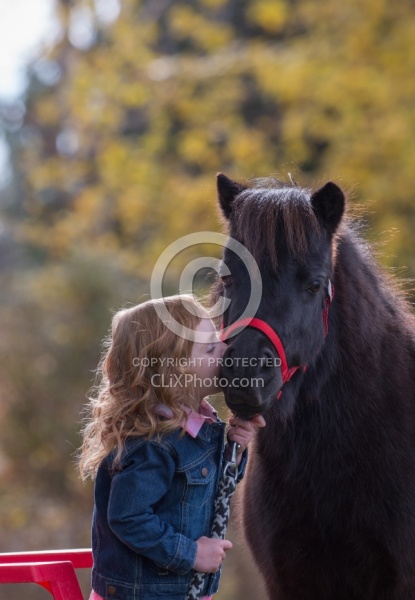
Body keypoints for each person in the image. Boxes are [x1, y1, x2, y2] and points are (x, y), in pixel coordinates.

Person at [78, 294, 265, 600]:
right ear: (171, 373)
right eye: (210, 348)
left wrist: (235, 450)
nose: (226, 350)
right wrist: (191, 554)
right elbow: (128, 517)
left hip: (180, 590)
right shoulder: (154, 445)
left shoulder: (199, 430)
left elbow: (208, 490)